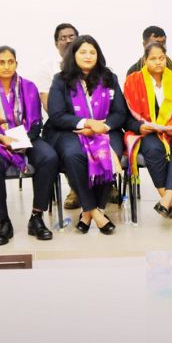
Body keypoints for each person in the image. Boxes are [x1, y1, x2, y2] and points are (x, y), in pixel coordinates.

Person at [0, 45, 58, 245]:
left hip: (26, 138)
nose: (7, 66)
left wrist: (24, 139)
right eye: (1, 62)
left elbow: (36, 121)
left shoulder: (28, 87)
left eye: (11, 62)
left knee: (49, 157)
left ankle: (36, 217)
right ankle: (4, 222)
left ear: (16, 64)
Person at [46, 35, 126, 235]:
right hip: (70, 131)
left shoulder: (109, 78)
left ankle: (87, 214)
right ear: (74, 55)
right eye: (83, 52)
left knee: (110, 153)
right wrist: (87, 123)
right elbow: (57, 115)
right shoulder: (61, 79)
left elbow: (120, 112)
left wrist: (103, 127)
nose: (88, 56)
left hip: (105, 129)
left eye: (92, 52)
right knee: (74, 155)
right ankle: (97, 213)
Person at [123, 41, 172, 220]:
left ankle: (166, 199)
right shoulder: (133, 81)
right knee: (153, 149)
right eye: (153, 58)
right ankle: (167, 201)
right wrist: (140, 127)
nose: (158, 62)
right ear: (145, 60)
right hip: (146, 132)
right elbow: (125, 116)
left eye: (161, 58)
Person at [35, 23, 79, 109]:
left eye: (72, 37)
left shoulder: (88, 63)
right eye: (63, 38)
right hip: (60, 120)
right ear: (56, 43)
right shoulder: (47, 67)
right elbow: (48, 105)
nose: (68, 41)